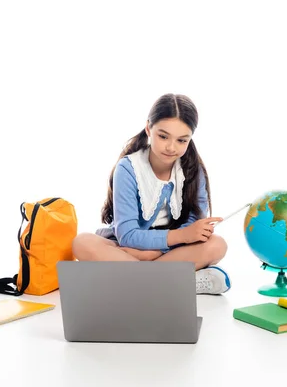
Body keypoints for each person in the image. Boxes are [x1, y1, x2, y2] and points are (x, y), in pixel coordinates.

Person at [72, 93, 230, 295]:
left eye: (182, 140)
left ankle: (135, 280)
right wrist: (158, 247)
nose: (171, 147)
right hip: (130, 246)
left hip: (163, 251)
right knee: (83, 242)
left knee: (217, 245)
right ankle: (170, 282)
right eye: (163, 136)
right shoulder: (128, 168)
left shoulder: (193, 169)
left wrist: (154, 253)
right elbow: (128, 235)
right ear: (148, 128)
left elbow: (192, 229)